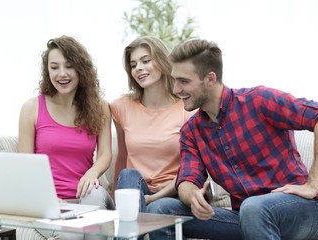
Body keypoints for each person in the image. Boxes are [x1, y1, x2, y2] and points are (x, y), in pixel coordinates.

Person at [151, 39, 318, 240]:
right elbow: (187, 179)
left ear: (210, 79)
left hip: (300, 210)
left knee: (254, 208)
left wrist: (313, 183)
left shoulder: (259, 100)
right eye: (174, 80)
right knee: (160, 209)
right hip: (245, 217)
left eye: (184, 81)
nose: (175, 90)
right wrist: (193, 197)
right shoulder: (192, 132)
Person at [18, 36, 114, 239]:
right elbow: (24, 165)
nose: (61, 74)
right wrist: (47, 198)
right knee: (73, 235)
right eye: (54, 67)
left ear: (81, 69)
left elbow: (105, 153)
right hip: (48, 202)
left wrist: (92, 173)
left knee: (94, 193)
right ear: (47, 72)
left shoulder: (100, 107)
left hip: (88, 197)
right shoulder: (32, 108)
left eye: (69, 66)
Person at [109, 36, 195, 225]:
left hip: (173, 195)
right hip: (135, 192)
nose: (138, 68)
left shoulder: (187, 110)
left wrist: (152, 199)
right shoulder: (121, 107)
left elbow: (189, 170)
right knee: (128, 175)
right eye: (133, 65)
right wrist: (117, 204)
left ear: (163, 62)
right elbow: (122, 159)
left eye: (146, 61)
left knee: (160, 207)